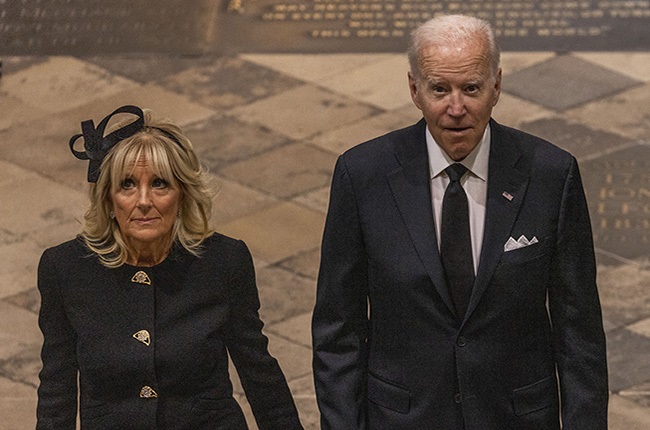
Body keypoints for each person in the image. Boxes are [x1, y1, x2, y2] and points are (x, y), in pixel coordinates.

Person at [312, 14, 608, 430]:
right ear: (415, 89)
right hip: (402, 418)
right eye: (439, 89)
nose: (456, 108)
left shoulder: (550, 175)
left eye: (471, 88)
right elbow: (337, 328)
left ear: (496, 86)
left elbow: (579, 331)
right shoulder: (363, 176)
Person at [37, 105, 303, 430]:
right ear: (108, 198)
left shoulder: (224, 261)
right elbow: (56, 390)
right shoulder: (65, 269)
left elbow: (258, 371)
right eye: (128, 185)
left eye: (160, 183)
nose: (144, 200)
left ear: (182, 194)